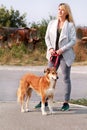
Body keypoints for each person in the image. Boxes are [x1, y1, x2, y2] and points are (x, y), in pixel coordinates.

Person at [35, 3, 76, 111]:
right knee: (47, 77)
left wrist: (62, 49)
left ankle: (66, 103)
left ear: (66, 12)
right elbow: (47, 37)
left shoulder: (70, 25)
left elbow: (73, 41)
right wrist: (50, 48)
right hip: (53, 54)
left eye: (62, 10)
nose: (59, 11)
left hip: (65, 55)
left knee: (66, 78)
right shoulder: (51, 23)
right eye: (58, 9)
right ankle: (44, 100)